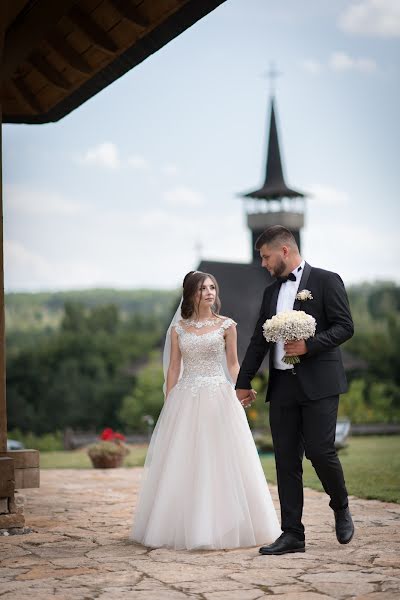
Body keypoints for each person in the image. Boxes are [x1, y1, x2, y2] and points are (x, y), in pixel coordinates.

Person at [130, 270, 281, 550]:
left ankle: (231, 524)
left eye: (212, 287)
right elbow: (174, 367)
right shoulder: (178, 330)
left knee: (222, 459)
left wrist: (242, 387)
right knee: (187, 460)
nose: (209, 292)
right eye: (202, 289)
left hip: (219, 396)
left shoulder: (227, 325)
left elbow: (233, 364)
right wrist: (169, 402)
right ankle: (183, 525)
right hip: (185, 398)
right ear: (191, 294)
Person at [236, 225, 355, 556]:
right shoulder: (270, 292)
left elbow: (346, 326)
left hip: (320, 383)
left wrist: (310, 346)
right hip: (283, 386)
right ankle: (292, 534)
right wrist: (243, 382)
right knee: (286, 459)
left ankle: (341, 503)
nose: (262, 263)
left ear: (284, 251)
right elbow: (259, 339)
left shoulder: (326, 281)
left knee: (320, 451)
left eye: (265, 257)